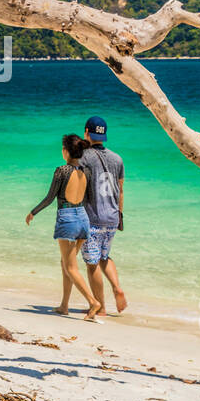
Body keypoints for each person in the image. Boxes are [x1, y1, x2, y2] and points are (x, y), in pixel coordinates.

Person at [25, 134, 102, 320]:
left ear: (65, 151)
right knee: (66, 265)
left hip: (67, 220)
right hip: (83, 219)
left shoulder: (61, 171)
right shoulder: (87, 171)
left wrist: (33, 212)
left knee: (70, 267)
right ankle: (64, 306)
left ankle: (93, 302)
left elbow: (50, 198)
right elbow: (90, 199)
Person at [80, 115, 127, 317]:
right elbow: (121, 190)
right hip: (112, 217)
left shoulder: (84, 157)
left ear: (87, 133)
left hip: (93, 217)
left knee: (92, 264)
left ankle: (101, 308)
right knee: (104, 257)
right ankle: (117, 287)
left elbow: (79, 187)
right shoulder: (117, 158)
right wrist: (120, 216)